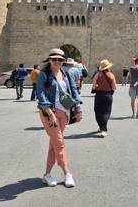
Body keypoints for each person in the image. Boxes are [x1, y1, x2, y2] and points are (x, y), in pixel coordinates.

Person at [36, 48, 82, 188]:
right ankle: (67, 173)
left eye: (60, 59)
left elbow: (73, 90)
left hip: (64, 113)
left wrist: (78, 106)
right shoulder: (43, 75)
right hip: (50, 113)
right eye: (54, 59)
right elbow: (41, 94)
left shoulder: (65, 74)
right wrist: (50, 113)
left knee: (54, 144)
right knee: (60, 143)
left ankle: (47, 174)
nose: (57, 62)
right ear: (49, 60)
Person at [91, 59, 116, 137]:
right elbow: (114, 87)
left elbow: (94, 85)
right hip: (108, 95)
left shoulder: (98, 74)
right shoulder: (111, 75)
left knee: (97, 111)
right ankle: (103, 129)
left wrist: (97, 87)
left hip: (99, 95)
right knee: (106, 112)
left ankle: (101, 126)